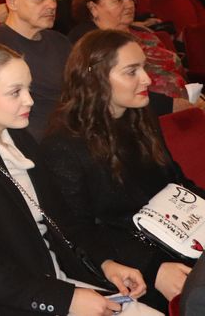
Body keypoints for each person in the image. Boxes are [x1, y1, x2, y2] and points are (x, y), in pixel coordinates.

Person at [0, 42, 155, 316]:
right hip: (18, 300)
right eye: (15, 92)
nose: (30, 100)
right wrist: (65, 299)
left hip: (55, 281)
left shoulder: (18, 137)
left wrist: (106, 263)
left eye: (28, 88)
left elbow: (62, 221)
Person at [40, 30, 202, 311]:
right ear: (96, 78)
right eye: (131, 71)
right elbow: (77, 232)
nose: (147, 79)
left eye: (144, 68)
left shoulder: (140, 117)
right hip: (126, 264)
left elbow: (175, 184)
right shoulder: (62, 145)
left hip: (173, 239)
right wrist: (155, 269)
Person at [70, 0, 190, 106]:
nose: (129, 5)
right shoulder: (87, 42)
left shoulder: (144, 33)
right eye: (119, 0)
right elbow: (105, 91)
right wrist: (171, 105)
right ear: (93, 8)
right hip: (144, 110)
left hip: (185, 104)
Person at [0, 0, 69, 141]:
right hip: (32, 143)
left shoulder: (61, 42)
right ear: (12, 1)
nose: (52, 5)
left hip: (72, 133)